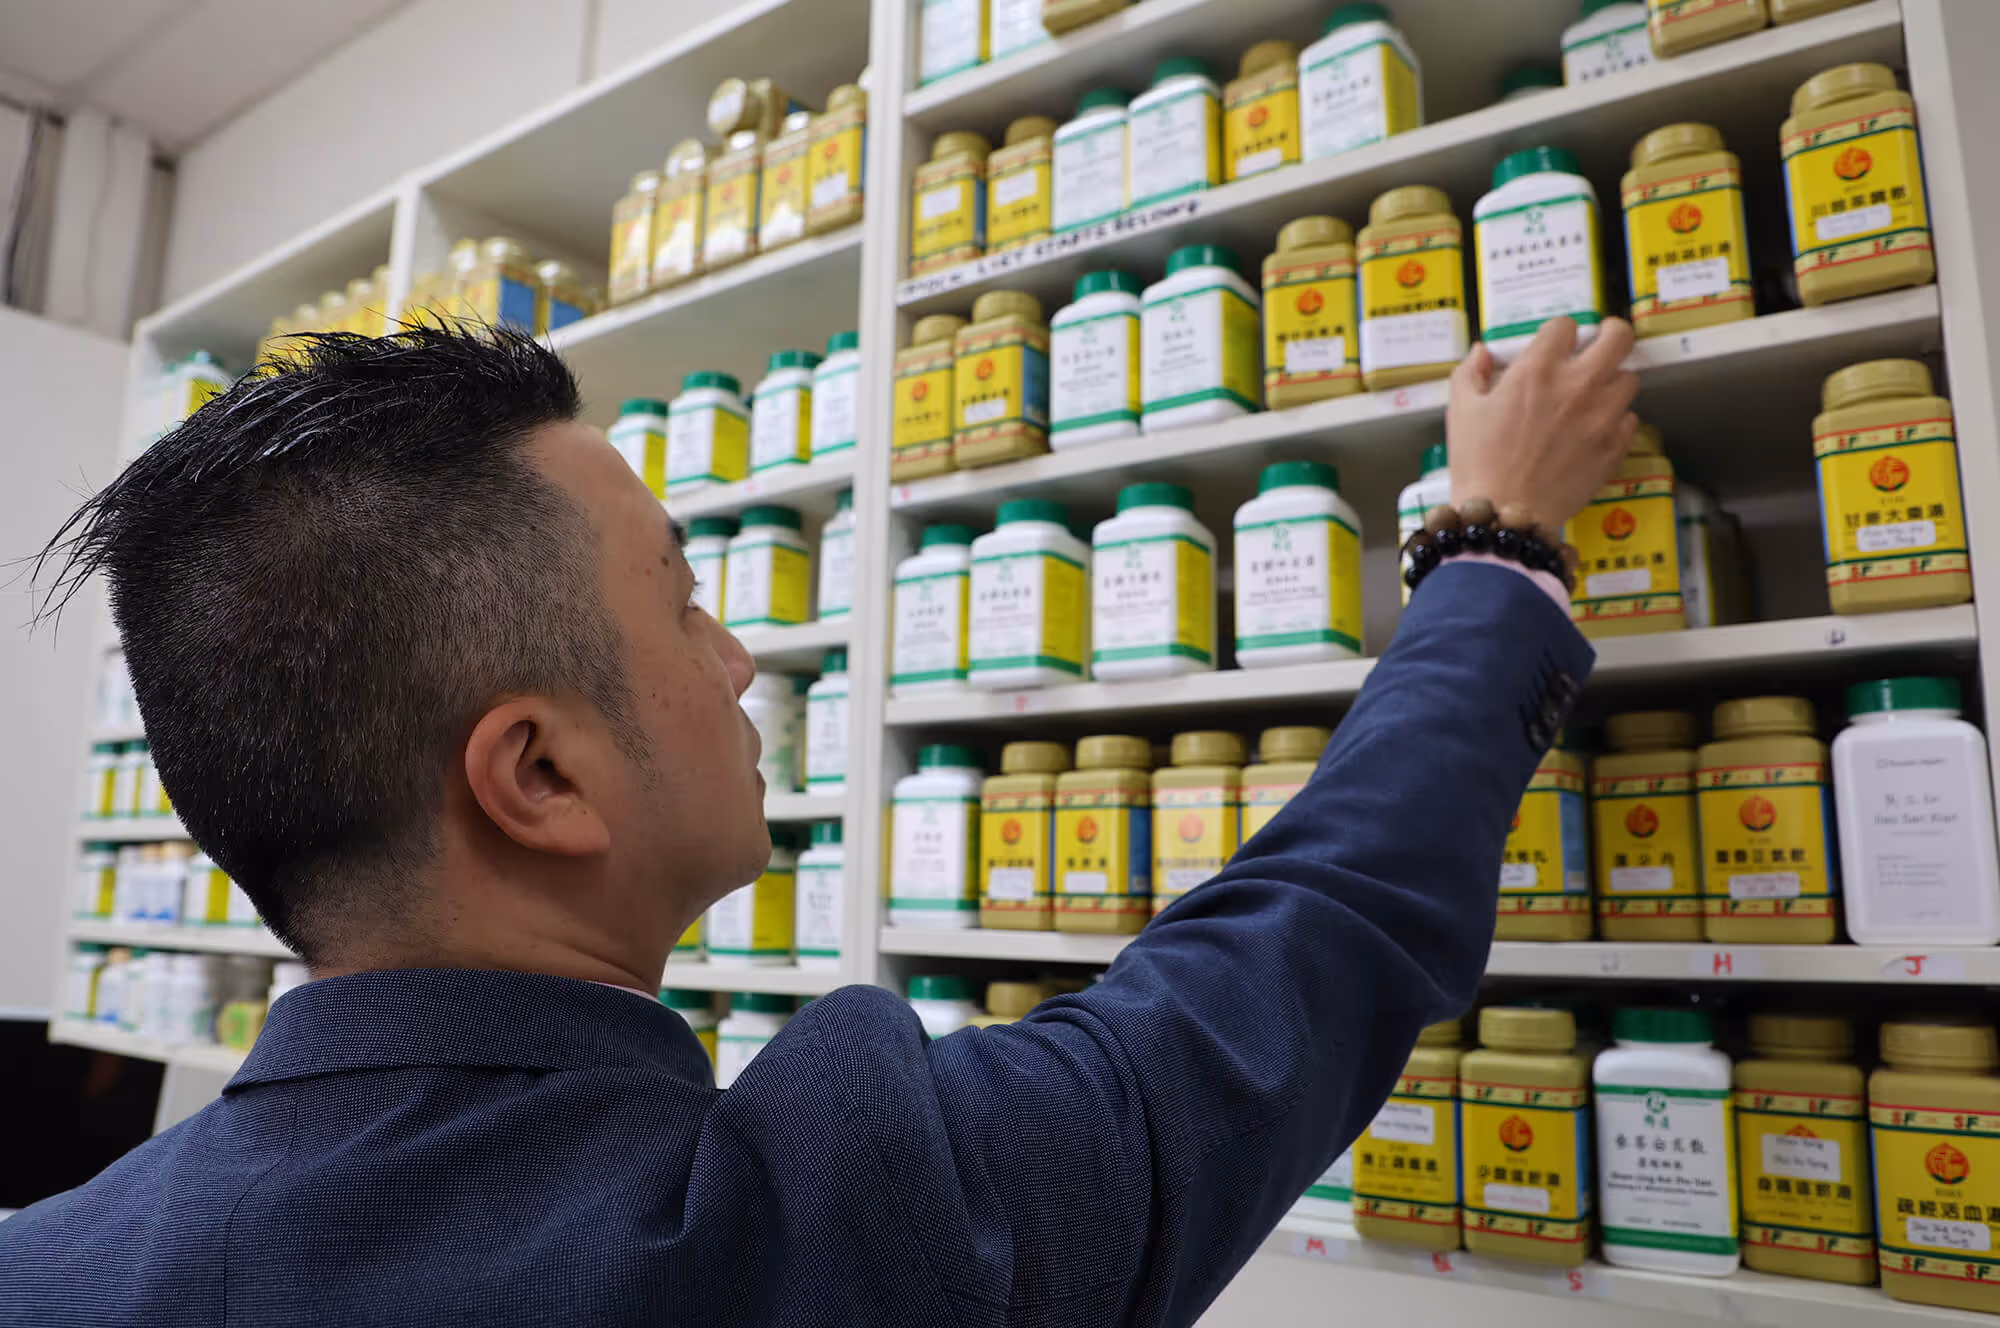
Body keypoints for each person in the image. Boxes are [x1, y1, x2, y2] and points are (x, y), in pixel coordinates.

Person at [1, 316, 1635, 1327]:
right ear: (540, 776)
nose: (744, 656)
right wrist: (1495, 544)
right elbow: (1316, 936)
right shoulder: (839, 1236)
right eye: (690, 601)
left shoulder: (43, 1265)